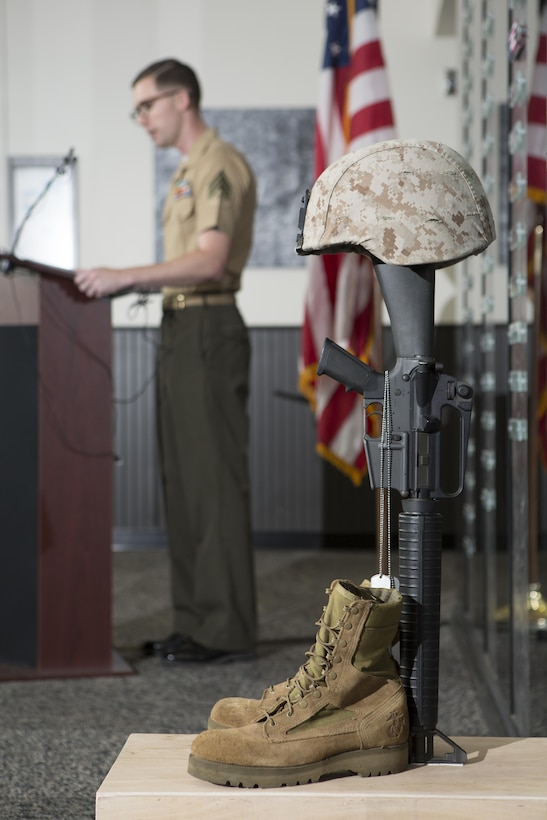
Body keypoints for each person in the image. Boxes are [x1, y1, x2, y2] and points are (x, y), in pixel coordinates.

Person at [75, 59, 257, 664]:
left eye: (146, 106)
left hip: (208, 324)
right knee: (183, 484)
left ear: (182, 99)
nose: (142, 119)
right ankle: (196, 620)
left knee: (213, 486)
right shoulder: (186, 172)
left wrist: (127, 277)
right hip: (181, 326)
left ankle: (225, 628)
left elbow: (209, 261)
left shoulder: (219, 166)